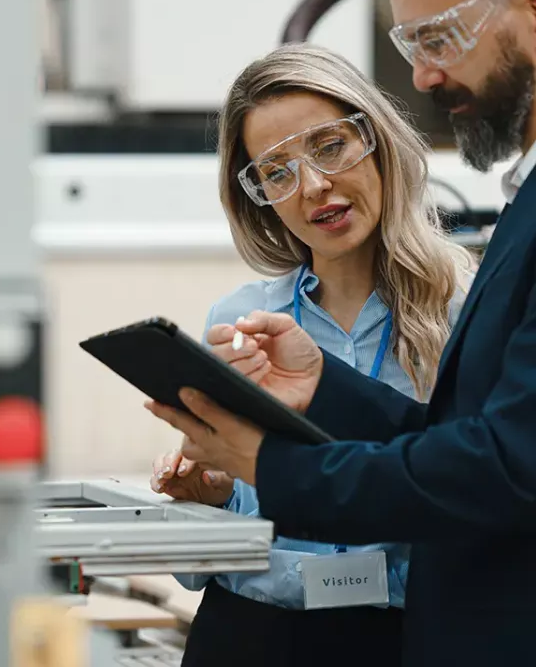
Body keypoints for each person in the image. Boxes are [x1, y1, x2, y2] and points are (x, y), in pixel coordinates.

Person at [145, 0, 536, 667]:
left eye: (440, 37)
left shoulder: (467, 288)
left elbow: (495, 466)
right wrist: (310, 396)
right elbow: (458, 447)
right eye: (276, 172)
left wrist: (272, 464)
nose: (424, 76)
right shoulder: (254, 318)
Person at [149, 42, 473, 667]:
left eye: (329, 147)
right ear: (257, 196)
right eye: (276, 171)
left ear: (377, 140)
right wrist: (211, 498)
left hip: (395, 641)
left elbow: (479, 505)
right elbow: (218, 553)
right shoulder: (241, 322)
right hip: (243, 637)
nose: (314, 186)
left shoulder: (466, 313)